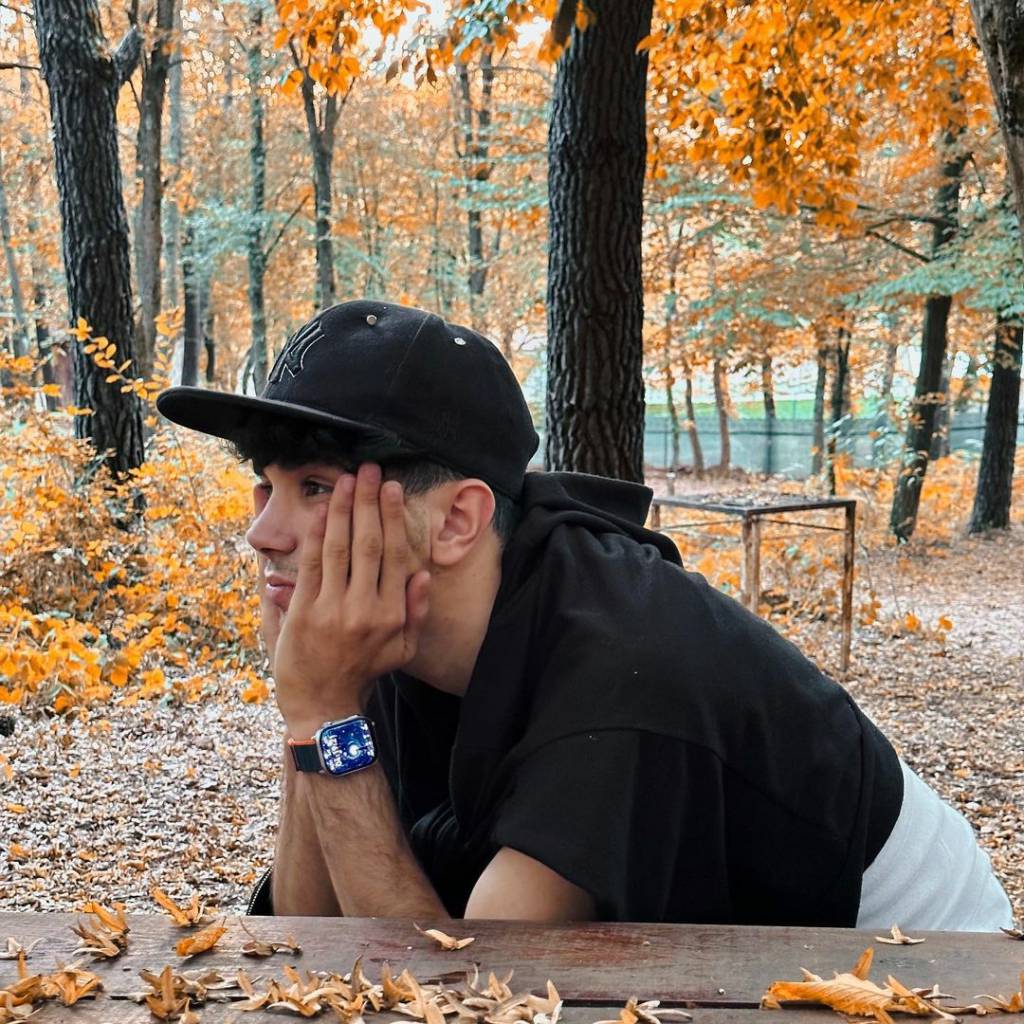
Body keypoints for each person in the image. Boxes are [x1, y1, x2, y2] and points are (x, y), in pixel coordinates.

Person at [157, 299, 1013, 929]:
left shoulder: (622, 666)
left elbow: (468, 1003)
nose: (263, 534)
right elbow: (305, 933)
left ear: (456, 521)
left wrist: (325, 713)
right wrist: (313, 718)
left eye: (314, 489)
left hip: (916, 968)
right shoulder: (394, 610)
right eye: (265, 487)